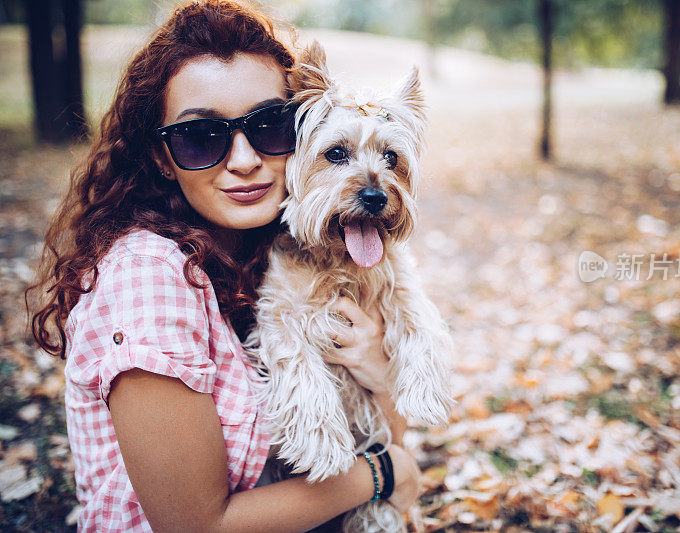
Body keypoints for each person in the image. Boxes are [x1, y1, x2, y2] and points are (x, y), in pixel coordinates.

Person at [25, 1, 423, 531]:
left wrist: (377, 368)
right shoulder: (147, 280)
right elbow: (196, 526)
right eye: (200, 137)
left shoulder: (282, 252)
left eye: (270, 126)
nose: (243, 159)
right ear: (162, 157)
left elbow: (385, 425)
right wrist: (381, 474)